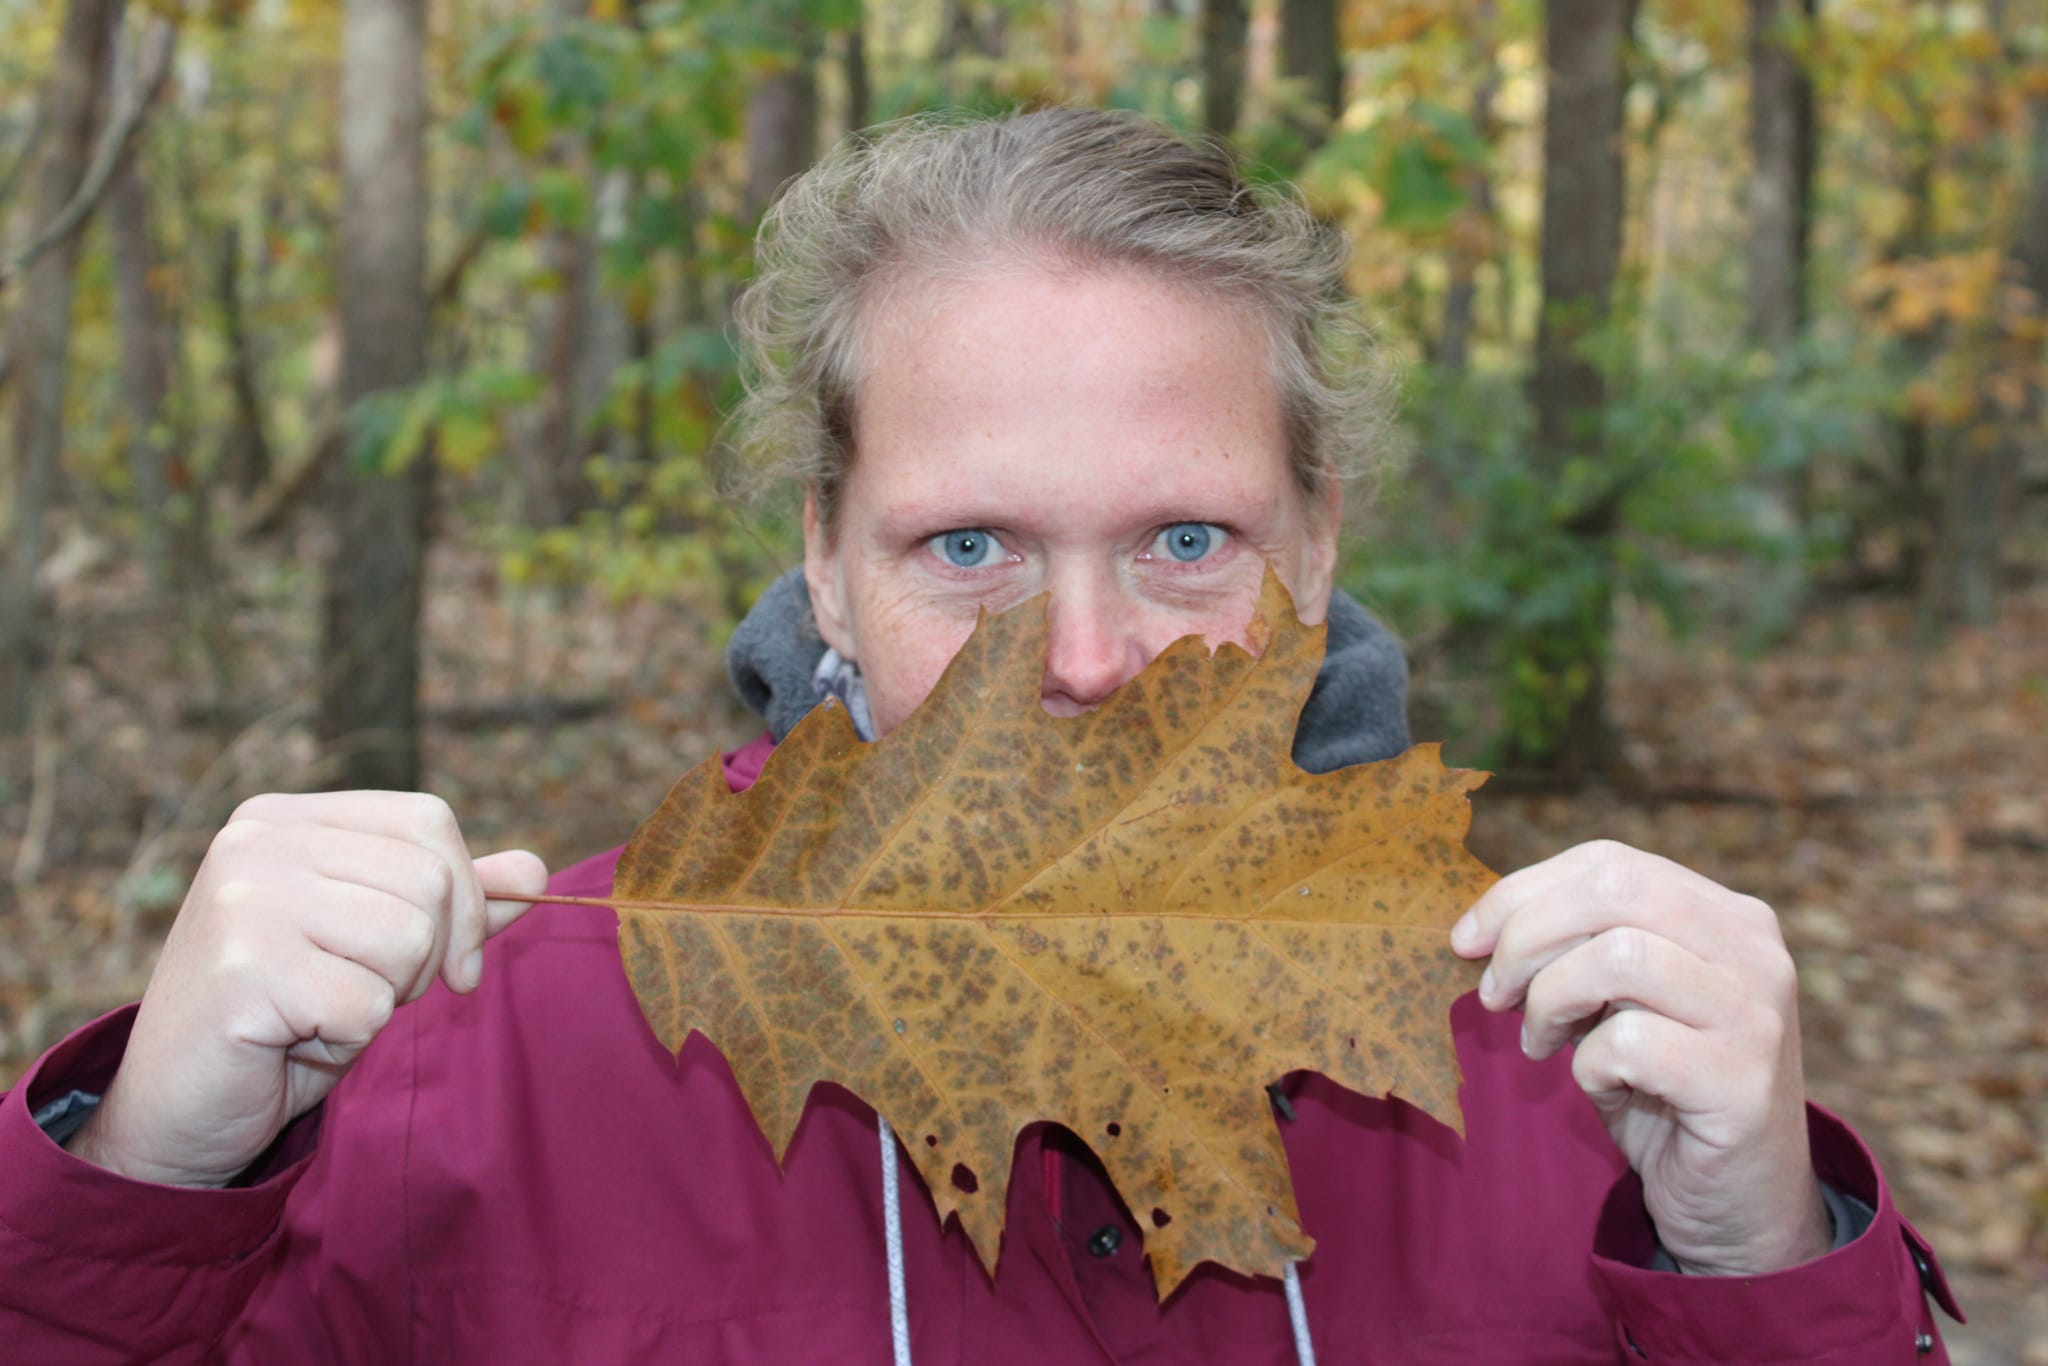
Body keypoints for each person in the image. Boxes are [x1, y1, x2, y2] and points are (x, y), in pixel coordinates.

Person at [0, 107, 1959, 1363]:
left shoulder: (1560, 1074)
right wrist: (148, 1179)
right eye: (969, 546)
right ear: (825, 567)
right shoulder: (487, 1063)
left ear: (1317, 547)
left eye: (1187, 537)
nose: (1087, 655)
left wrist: (1756, 1262)